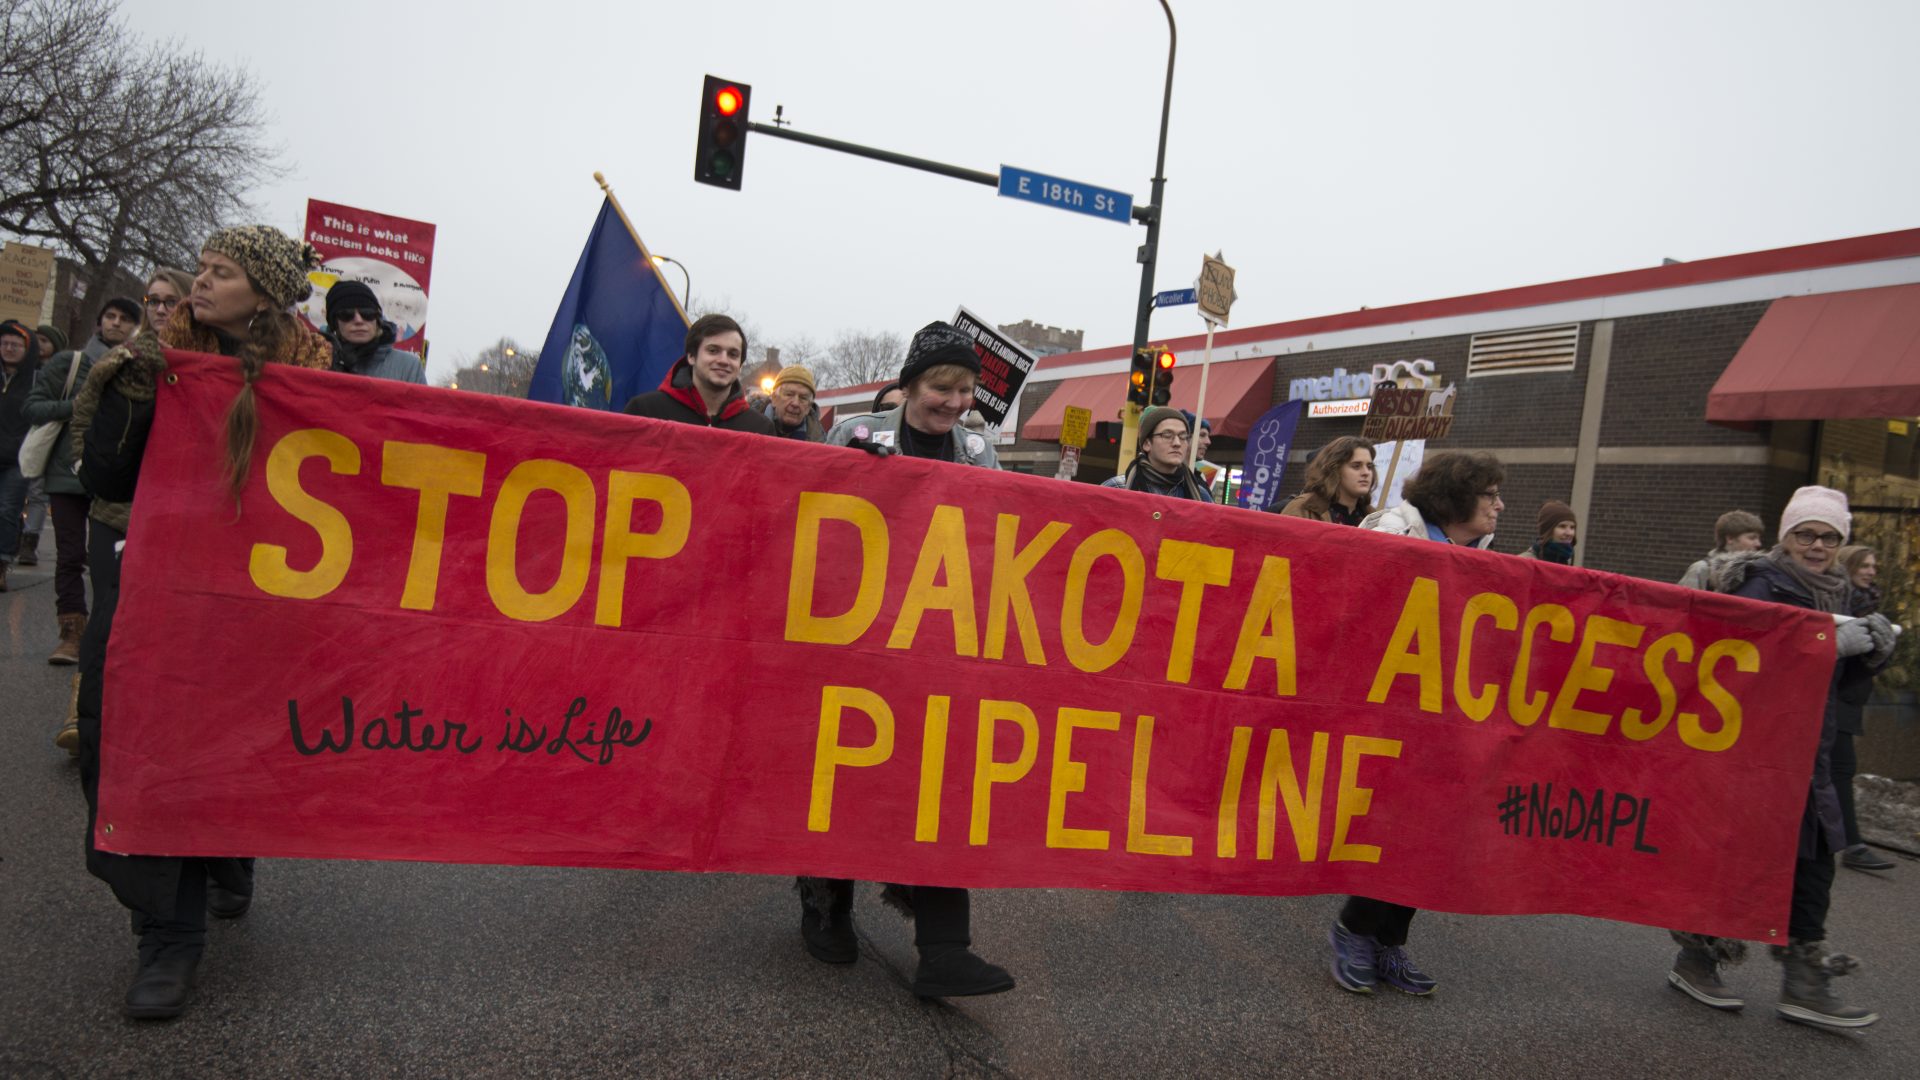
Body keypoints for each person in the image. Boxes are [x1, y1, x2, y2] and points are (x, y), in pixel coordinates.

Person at [68, 224, 332, 1020]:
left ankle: (228, 847)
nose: (199, 285)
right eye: (202, 270)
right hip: (158, 588)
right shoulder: (155, 364)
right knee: (133, 740)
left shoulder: (320, 377)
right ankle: (167, 936)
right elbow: (106, 472)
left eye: (221, 273)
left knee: (236, 740)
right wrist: (140, 386)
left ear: (265, 292)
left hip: (260, 606)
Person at [810, 322, 1010, 999]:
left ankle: (946, 948)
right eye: (940, 389)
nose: (954, 403)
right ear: (908, 386)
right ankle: (825, 903)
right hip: (855, 640)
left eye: (965, 391)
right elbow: (818, 519)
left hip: (940, 644)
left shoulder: (981, 448)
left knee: (942, 785)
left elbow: (1002, 534)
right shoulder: (856, 434)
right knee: (840, 778)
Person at [1664, 487, 1891, 1029]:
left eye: (1829, 537)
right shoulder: (1763, 583)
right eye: (1805, 534)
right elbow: (1751, 661)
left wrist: (1873, 655)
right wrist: (1829, 645)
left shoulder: (1842, 592)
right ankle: (1697, 955)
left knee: (1815, 862)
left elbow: (1843, 687)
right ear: (1786, 537)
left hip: (1815, 751)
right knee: (1740, 857)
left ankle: (1803, 977)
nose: (1817, 546)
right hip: (1757, 751)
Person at [1327, 450, 1505, 996]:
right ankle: (1354, 929)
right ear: (1456, 498)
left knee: (1430, 830)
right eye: (1489, 494)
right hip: (1384, 708)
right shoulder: (1392, 530)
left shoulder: (1481, 553)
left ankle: (1389, 941)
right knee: (1389, 826)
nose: (1499, 505)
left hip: (1441, 715)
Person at [1832, 545, 1895, 872]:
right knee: (1841, 769)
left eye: (1874, 565)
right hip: (1834, 701)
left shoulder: (1867, 603)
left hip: (1850, 699)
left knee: (1831, 772)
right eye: (1865, 565)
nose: (1872, 571)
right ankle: (1853, 845)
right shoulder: (1837, 603)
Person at [623, 314, 775, 433]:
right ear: (691, 356)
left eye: (733, 354)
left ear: (740, 365)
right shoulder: (645, 410)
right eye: (713, 351)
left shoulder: (760, 429)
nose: (723, 360)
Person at [0, 320, 41, 591]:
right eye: (4, 343)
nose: (9, 348)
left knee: (7, 511)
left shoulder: (37, 379)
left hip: (17, 459)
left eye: (16, 344)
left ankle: (2, 563)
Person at [323, 280, 426, 383]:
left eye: (367, 313)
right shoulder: (316, 363)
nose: (359, 320)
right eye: (347, 314)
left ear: (377, 319)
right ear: (334, 324)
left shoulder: (409, 366)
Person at [1101, 406, 1213, 501]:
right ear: (1146, 443)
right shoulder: (1116, 488)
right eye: (1167, 435)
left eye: (1183, 436)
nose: (1177, 443)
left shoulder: (1201, 495)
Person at [1275, 436, 1375, 524]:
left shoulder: (1375, 518)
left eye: (1370, 466)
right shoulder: (1303, 509)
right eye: (1356, 466)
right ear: (1335, 469)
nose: (1366, 472)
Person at [1678, 509, 1764, 588]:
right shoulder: (1701, 569)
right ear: (1730, 538)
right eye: (1752, 538)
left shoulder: (1756, 570)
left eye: (1759, 539)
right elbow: (1684, 602)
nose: (1758, 544)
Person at [764, 364, 823, 440]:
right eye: (789, 394)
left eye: (803, 398)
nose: (795, 403)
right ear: (774, 398)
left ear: (809, 407)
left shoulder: (819, 442)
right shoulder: (749, 426)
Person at [139, 269, 193, 336]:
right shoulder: (129, 345)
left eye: (172, 302)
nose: (160, 310)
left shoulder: (202, 346)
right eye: (153, 301)